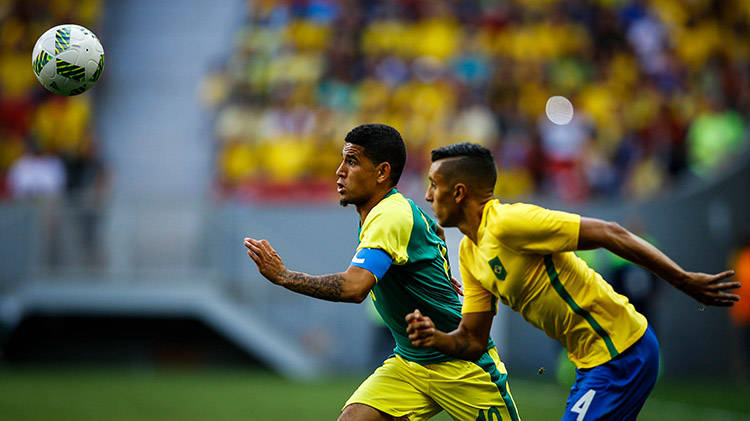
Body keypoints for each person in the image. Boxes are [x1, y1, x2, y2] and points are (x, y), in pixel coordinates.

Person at [406, 142, 740, 420]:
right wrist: (435, 338)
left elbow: (611, 232)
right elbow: (473, 340)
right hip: (591, 363)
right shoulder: (468, 252)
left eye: (434, 184)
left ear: (460, 192)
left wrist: (683, 280)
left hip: (621, 349)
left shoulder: (510, 223)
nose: (428, 195)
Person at [244, 125, 520, 421]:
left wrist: (283, 276)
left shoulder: (389, 215)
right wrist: (438, 271)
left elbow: (354, 288)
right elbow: (433, 229)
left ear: (381, 172)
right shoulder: (392, 210)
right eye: (342, 160)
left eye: (351, 161)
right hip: (409, 361)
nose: (339, 171)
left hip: (460, 362)